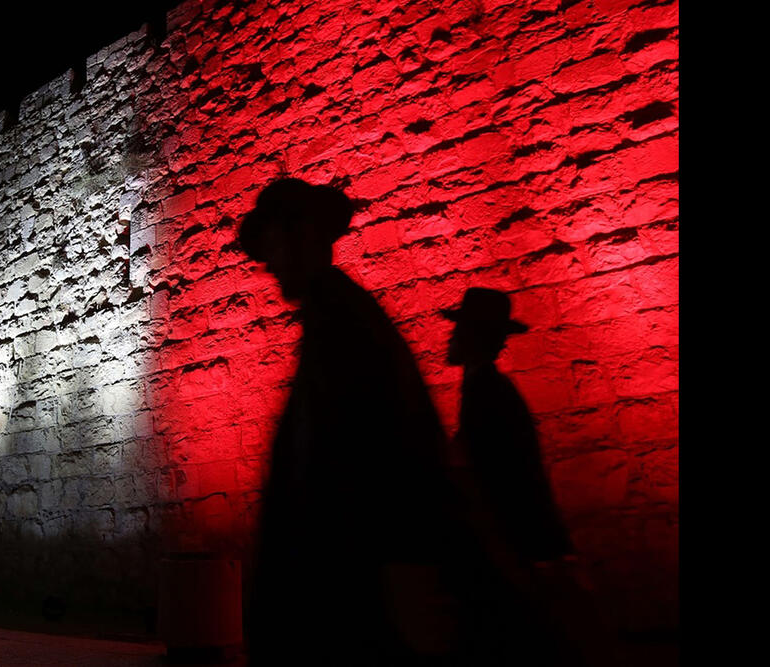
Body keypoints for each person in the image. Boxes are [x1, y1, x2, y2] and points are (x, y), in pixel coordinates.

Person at [239, 178, 465, 664]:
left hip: (349, 601)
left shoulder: (344, 324)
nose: (266, 263)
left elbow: (362, 467)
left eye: (270, 245)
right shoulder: (338, 317)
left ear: (299, 234)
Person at [443, 287, 617, 666]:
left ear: (473, 337)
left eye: (458, 329)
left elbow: (496, 473)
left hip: (517, 544)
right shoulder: (484, 389)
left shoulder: (487, 391)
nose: (449, 337)